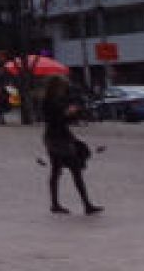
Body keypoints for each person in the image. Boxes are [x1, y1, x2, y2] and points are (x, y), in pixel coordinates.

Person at [40, 76, 101, 215]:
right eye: (62, 87)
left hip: (54, 137)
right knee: (74, 170)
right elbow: (57, 120)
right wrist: (68, 113)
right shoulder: (51, 102)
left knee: (56, 170)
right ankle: (86, 204)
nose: (64, 89)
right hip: (59, 138)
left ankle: (55, 203)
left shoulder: (52, 100)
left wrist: (71, 113)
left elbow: (63, 119)